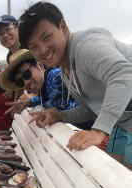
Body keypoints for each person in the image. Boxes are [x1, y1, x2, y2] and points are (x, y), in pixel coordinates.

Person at [18, 1, 132, 170]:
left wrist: (98, 131)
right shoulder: (66, 69)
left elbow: (123, 74)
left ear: (63, 27)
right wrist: (60, 115)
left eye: (46, 37)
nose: (42, 50)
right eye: (34, 47)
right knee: (115, 172)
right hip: (123, 122)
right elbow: (94, 106)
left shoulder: (87, 45)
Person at [0, 49, 78, 115]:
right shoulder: (45, 84)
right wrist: (29, 102)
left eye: (26, 74)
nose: (26, 82)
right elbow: (46, 98)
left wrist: (55, 114)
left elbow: (83, 109)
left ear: (39, 65)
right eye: (20, 82)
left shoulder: (56, 76)